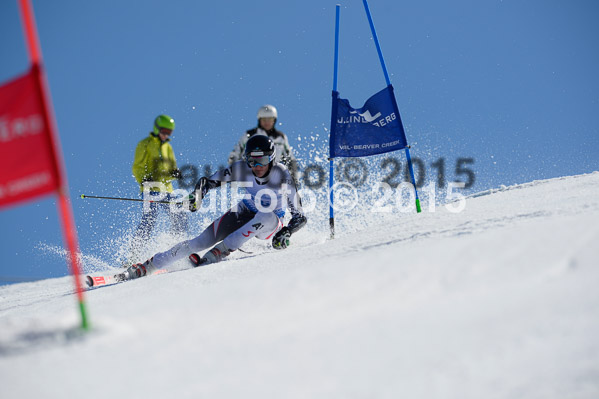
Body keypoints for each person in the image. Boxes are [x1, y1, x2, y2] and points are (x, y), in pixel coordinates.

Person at [122, 135, 307, 280]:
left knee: (265, 214)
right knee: (201, 241)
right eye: (252, 161)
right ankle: (150, 265)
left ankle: (219, 251)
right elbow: (208, 181)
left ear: (272, 159)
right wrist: (197, 195)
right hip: (244, 211)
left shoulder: (281, 175)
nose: (257, 166)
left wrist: (287, 232)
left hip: (270, 223)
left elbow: (300, 216)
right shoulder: (242, 168)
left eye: (263, 160)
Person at [128, 114, 187, 261]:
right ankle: (133, 256)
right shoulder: (145, 144)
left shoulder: (168, 147)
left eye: (169, 132)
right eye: (164, 131)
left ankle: (177, 250)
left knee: (179, 215)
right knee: (150, 219)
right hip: (150, 188)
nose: (166, 134)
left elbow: (171, 168)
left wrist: (175, 173)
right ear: (157, 128)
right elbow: (137, 167)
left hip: (167, 190)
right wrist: (143, 180)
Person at [228, 105, 297, 176]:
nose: (267, 122)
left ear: (274, 120)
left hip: (273, 175)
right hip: (251, 173)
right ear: (259, 120)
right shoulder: (250, 135)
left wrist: (294, 177)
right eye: (264, 119)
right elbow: (236, 152)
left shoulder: (280, 137)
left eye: (270, 119)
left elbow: (290, 158)